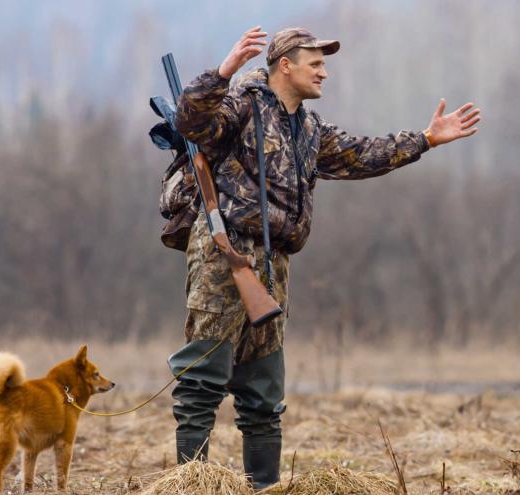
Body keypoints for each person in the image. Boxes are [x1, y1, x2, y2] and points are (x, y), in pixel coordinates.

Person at [170, 25, 481, 488]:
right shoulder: (241, 104)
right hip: (225, 253)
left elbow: (363, 155)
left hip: (274, 265)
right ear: (285, 66)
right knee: (202, 381)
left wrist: (426, 139)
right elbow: (191, 124)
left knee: (262, 391)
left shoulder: (309, 129)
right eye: (316, 64)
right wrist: (222, 72)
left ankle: (263, 486)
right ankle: (191, 484)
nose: (325, 73)